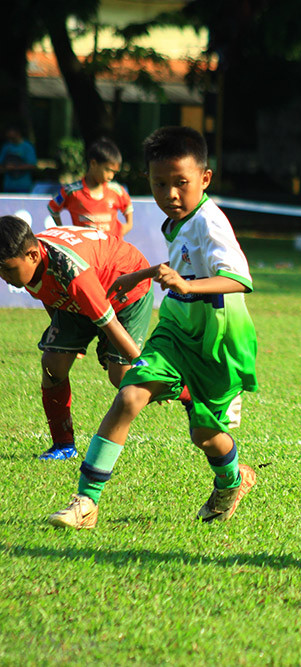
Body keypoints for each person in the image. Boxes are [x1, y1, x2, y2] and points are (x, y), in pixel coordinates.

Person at [47, 126, 259, 529]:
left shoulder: (210, 222)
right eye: (160, 184)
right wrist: (138, 275)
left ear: (205, 179)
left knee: (205, 435)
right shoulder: (178, 221)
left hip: (218, 342)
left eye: (181, 183)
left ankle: (232, 480)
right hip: (176, 331)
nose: (171, 194)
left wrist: (187, 284)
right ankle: (86, 502)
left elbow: (239, 278)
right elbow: (177, 267)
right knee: (129, 396)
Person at [0, 216, 152, 460]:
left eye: (6, 269)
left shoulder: (70, 271)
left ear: (33, 255)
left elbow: (108, 320)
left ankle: (187, 393)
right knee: (53, 364)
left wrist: (142, 364)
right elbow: (51, 298)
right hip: (83, 295)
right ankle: (63, 446)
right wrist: (65, 343)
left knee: (124, 377)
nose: (3, 276)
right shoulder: (28, 263)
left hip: (125, 286)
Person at [48, 138, 134, 238]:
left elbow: (128, 208)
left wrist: (123, 230)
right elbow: (53, 208)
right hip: (84, 251)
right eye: (107, 170)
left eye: (114, 172)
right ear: (93, 164)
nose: (111, 176)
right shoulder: (71, 191)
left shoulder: (117, 191)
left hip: (110, 251)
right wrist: (63, 232)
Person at [0, 126, 37, 193]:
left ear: (17, 133)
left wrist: (14, 167)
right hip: (8, 186)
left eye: (11, 133)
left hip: (23, 187)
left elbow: (33, 165)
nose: (8, 136)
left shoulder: (27, 147)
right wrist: (5, 168)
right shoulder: (6, 147)